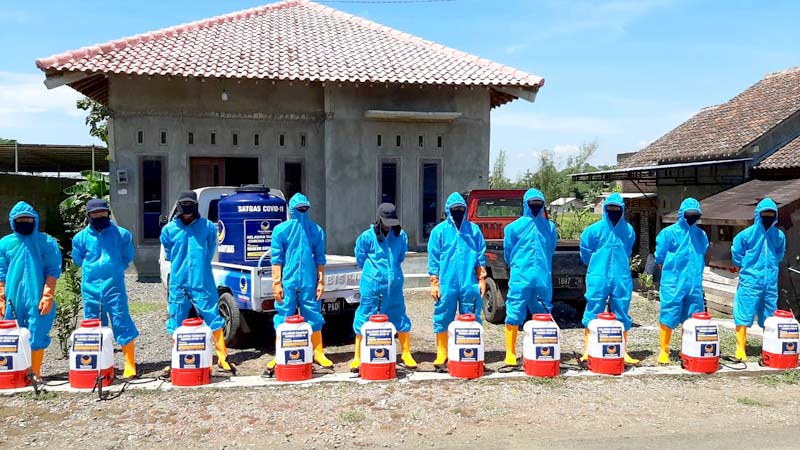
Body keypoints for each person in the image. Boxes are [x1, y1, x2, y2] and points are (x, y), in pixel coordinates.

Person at [160, 191, 233, 372]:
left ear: (196, 205)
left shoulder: (208, 227)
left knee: (212, 315)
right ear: (178, 206)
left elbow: (209, 250)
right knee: (176, 316)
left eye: (190, 204)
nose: (187, 209)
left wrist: (199, 266)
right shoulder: (169, 230)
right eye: (183, 205)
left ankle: (222, 356)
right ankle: (177, 356)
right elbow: (169, 253)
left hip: (202, 279)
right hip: (179, 280)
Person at [72, 199, 140, 378]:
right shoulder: (80, 238)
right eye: (95, 214)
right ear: (88, 215)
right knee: (93, 325)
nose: (99, 216)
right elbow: (78, 259)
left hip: (114, 286)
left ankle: (130, 364)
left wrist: (115, 269)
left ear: (108, 213)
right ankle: (100, 362)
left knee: (121, 320)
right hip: (90, 288)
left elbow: (127, 256)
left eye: (102, 213)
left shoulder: (122, 234)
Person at [265, 193, 332, 373]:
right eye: (299, 208)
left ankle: (318, 351)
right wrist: (276, 283)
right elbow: (276, 258)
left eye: (305, 208)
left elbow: (320, 258)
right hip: (288, 278)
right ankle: (280, 352)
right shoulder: (281, 230)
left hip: (309, 279)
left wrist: (321, 281)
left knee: (313, 313)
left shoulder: (316, 230)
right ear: (291, 209)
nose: (302, 212)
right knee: (284, 313)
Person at [350, 203, 416, 372]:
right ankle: (357, 356)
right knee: (365, 315)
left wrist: (392, 275)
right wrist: (375, 273)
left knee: (399, 314)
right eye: (386, 222)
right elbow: (360, 258)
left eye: (392, 222)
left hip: (394, 286)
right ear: (379, 219)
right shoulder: (366, 237)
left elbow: (400, 256)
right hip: (372, 285)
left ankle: (406, 353)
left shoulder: (400, 236)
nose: (389, 226)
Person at [0, 201, 61, 380]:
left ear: (35, 220)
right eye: (20, 219)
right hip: (12, 296)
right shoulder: (5, 244)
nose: (25, 222)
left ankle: (35, 371)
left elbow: (52, 270)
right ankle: (14, 371)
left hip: (37, 295)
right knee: (11, 331)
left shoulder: (46, 242)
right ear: (13, 221)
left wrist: (48, 295)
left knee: (37, 330)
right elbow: (1, 271)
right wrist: (1, 298)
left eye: (28, 218)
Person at [428, 192, 487, 370]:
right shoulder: (439, 232)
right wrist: (434, 282)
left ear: (466, 210)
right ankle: (442, 352)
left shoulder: (474, 230)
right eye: (455, 210)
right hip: (447, 282)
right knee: (443, 315)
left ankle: (472, 349)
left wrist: (482, 278)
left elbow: (480, 256)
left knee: (471, 315)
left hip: (469, 282)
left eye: (461, 209)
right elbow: (434, 258)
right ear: (448, 211)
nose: (458, 212)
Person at [579, 193, 639, 364]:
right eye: (610, 209)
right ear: (605, 210)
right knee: (593, 309)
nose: (614, 212)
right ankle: (588, 350)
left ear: (623, 210)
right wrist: (596, 264)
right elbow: (585, 252)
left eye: (617, 209)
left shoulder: (628, 230)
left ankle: (622, 350)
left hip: (621, 276)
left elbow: (627, 250)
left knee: (622, 311)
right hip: (598, 275)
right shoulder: (593, 230)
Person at [502, 188, 557, 367]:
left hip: (542, 277)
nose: (535, 207)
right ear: (525, 204)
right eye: (532, 203)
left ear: (543, 205)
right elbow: (508, 252)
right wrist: (518, 267)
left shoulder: (549, 227)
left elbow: (551, 249)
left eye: (538, 203)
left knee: (543, 311)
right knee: (514, 311)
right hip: (520, 276)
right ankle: (510, 352)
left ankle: (540, 348)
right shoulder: (513, 228)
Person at [653, 198, 709, 364]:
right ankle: (664, 349)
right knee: (669, 313)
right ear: (681, 214)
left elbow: (702, 252)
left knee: (693, 316)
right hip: (673, 281)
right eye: (688, 214)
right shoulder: (668, 233)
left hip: (694, 283)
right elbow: (660, 257)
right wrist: (671, 274)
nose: (691, 217)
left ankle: (688, 348)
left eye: (695, 215)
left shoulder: (701, 234)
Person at [731, 198, 786, 361]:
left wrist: (773, 266)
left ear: (775, 216)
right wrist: (745, 267)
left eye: (771, 214)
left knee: (769, 314)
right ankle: (740, 348)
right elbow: (736, 252)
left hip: (770, 282)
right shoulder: (746, 234)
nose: (768, 217)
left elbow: (780, 254)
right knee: (743, 312)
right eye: (764, 214)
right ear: (758, 215)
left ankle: (768, 346)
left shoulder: (779, 235)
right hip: (750, 280)